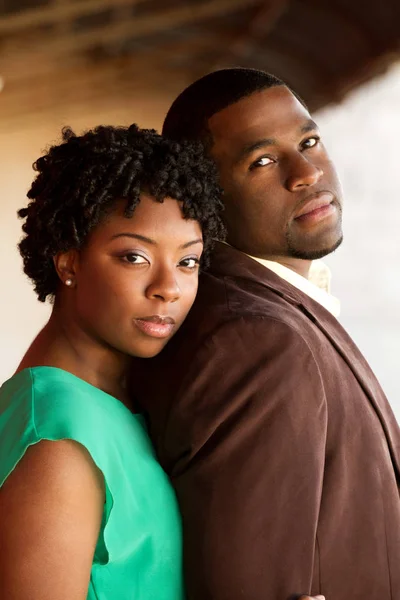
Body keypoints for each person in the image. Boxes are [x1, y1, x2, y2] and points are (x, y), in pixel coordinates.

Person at [131, 69, 400, 599]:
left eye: (309, 141)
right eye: (262, 160)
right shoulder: (254, 339)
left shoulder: (273, 310)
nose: (305, 172)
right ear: (206, 199)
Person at [0, 124, 225, 599]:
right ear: (69, 263)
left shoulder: (116, 397)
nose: (169, 287)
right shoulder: (59, 442)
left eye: (188, 262)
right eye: (135, 257)